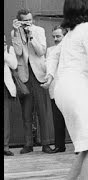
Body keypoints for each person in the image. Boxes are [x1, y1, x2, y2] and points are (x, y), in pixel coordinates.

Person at [42, 0, 88, 179]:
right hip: (74, 91)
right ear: (86, 7)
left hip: (62, 90)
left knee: (87, 145)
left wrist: (50, 74)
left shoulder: (71, 32)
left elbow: (54, 55)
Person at [11, 8, 55, 154]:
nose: (29, 22)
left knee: (43, 111)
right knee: (26, 112)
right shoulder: (14, 32)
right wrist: (17, 33)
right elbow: (17, 52)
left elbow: (41, 51)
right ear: (20, 21)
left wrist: (31, 37)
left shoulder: (39, 30)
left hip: (38, 74)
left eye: (30, 19)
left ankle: (46, 144)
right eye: (26, 21)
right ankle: (28, 144)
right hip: (24, 75)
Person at [45, 25, 68, 153]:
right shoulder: (50, 50)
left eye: (58, 36)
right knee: (57, 119)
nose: (55, 39)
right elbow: (48, 66)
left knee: (73, 118)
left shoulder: (71, 50)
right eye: (54, 36)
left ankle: (79, 146)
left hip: (69, 88)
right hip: (55, 88)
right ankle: (59, 145)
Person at [4, 34, 18, 156]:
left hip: (5, 87)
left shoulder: (9, 49)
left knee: (5, 118)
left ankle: (5, 146)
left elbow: (14, 65)